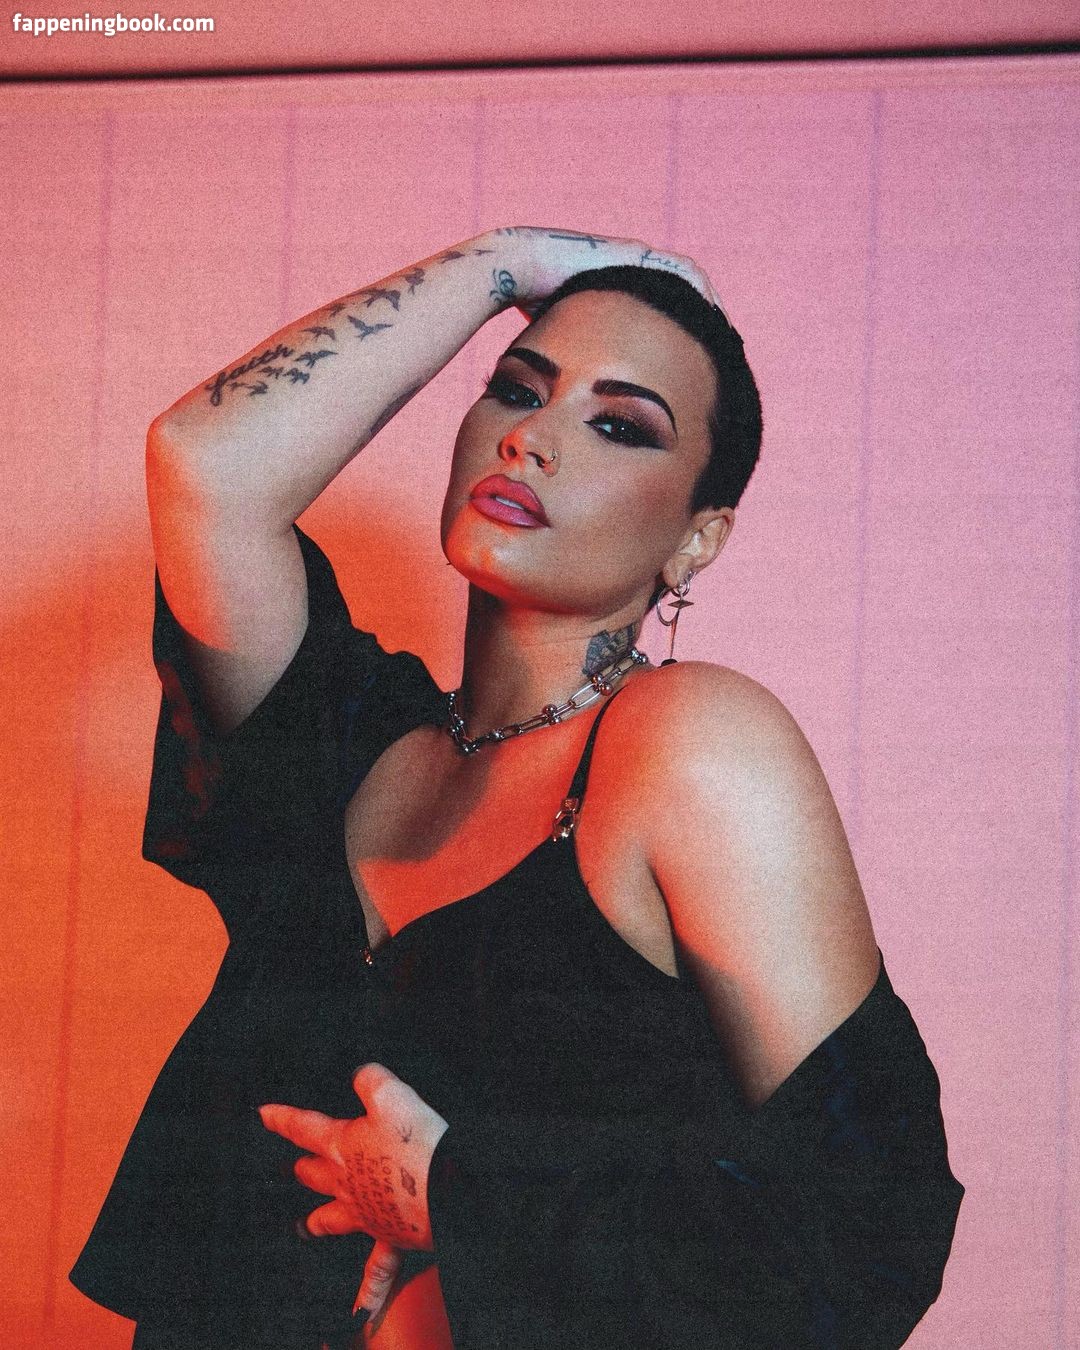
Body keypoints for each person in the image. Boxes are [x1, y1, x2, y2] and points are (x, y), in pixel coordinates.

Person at [70, 225, 964, 1349]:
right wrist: (507, 263)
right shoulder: (343, 738)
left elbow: (877, 1223)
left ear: (697, 540)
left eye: (618, 425)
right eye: (516, 389)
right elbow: (206, 462)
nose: (531, 438)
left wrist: (457, 1188)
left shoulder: (684, 745)